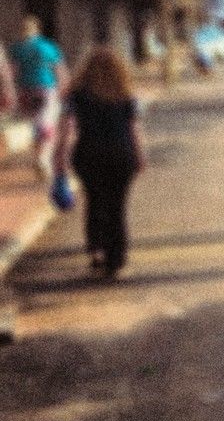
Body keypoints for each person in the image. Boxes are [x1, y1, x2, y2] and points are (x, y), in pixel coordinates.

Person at [53, 45, 146, 278]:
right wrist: (140, 156)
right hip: (121, 155)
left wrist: (59, 156)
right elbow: (134, 130)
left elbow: (65, 129)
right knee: (117, 206)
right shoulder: (125, 95)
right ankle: (116, 257)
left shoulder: (75, 95)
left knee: (94, 201)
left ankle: (96, 250)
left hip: (88, 154)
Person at [8, 15, 67, 181]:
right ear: (37, 29)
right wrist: (65, 88)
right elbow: (59, 69)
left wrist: (11, 92)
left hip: (25, 90)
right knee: (47, 123)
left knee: (34, 124)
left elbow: (12, 72)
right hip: (46, 88)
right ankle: (43, 158)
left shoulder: (16, 48)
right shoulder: (47, 46)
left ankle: (38, 155)